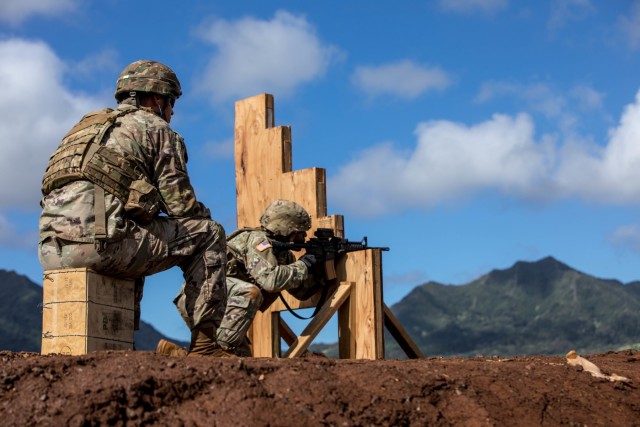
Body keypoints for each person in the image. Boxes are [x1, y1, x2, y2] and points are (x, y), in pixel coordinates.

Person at [38, 59, 230, 357]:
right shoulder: (156, 129)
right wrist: (203, 219)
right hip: (101, 247)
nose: (172, 111)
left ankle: (124, 342)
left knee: (133, 227)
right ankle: (206, 346)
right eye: (171, 103)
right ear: (157, 98)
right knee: (209, 234)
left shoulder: (84, 128)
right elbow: (182, 206)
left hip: (50, 250)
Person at [158, 199, 321, 357]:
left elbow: (302, 292)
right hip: (201, 299)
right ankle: (216, 350)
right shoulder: (258, 241)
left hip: (217, 304)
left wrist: (320, 264)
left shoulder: (283, 256)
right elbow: (271, 281)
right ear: (287, 228)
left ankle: (177, 355)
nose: (304, 237)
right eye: (300, 232)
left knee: (240, 361)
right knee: (250, 293)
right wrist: (305, 264)